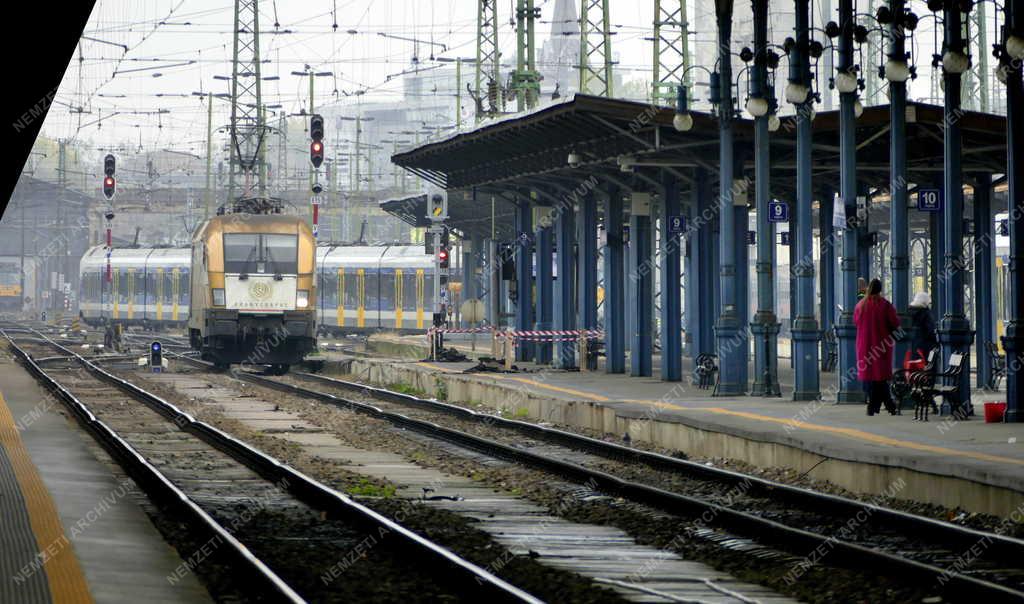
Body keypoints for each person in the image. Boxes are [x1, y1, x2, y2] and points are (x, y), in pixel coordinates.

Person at [854, 278, 901, 416]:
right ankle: (884, 406)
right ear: (880, 290)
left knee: (876, 378)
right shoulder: (885, 305)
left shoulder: (860, 306)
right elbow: (895, 323)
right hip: (881, 346)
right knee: (880, 377)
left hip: (864, 346)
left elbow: (856, 322)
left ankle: (877, 406)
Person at [908, 291, 938, 363]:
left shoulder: (908, 312)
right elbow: (931, 331)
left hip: (911, 348)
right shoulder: (926, 313)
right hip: (925, 349)